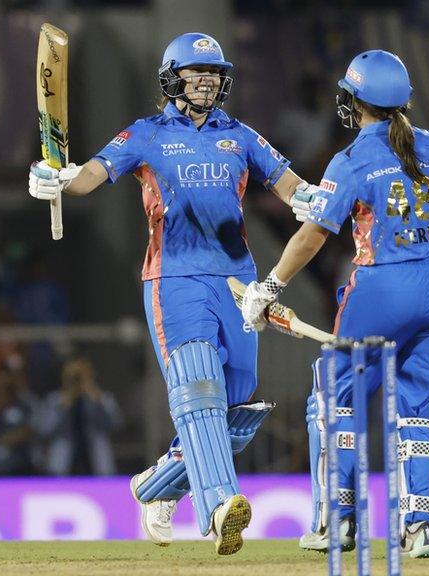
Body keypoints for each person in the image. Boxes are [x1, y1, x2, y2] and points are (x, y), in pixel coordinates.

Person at [240, 49, 429, 558]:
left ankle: (337, 522)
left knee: (334, 400)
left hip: (382, 289)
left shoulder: (352, 160)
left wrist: (269, 286)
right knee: (421, 411)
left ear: (355, 101)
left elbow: (314, 235)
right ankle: (422, 525)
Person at [27, 32, 315, 555]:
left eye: (214, 72)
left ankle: (156, 487)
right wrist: (55, 179)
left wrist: (320, 198)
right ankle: (221, 505)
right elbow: (89, 176)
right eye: (196, 71)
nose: (207, 80)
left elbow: (292, 186)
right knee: (197, 389)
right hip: (175, 278)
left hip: (238, 282)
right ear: (172, 78)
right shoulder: (145, 134)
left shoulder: (240, 135)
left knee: (237, 405)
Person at [36, 357, 122, 476]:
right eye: (73, 377)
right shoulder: (54, 401)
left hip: (97, 464)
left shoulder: (102, 398)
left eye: (80, 377)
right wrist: (63, 407)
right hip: (62, 464)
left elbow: (115, 424)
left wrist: (96, 401)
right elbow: (44, 430)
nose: (77, 381)